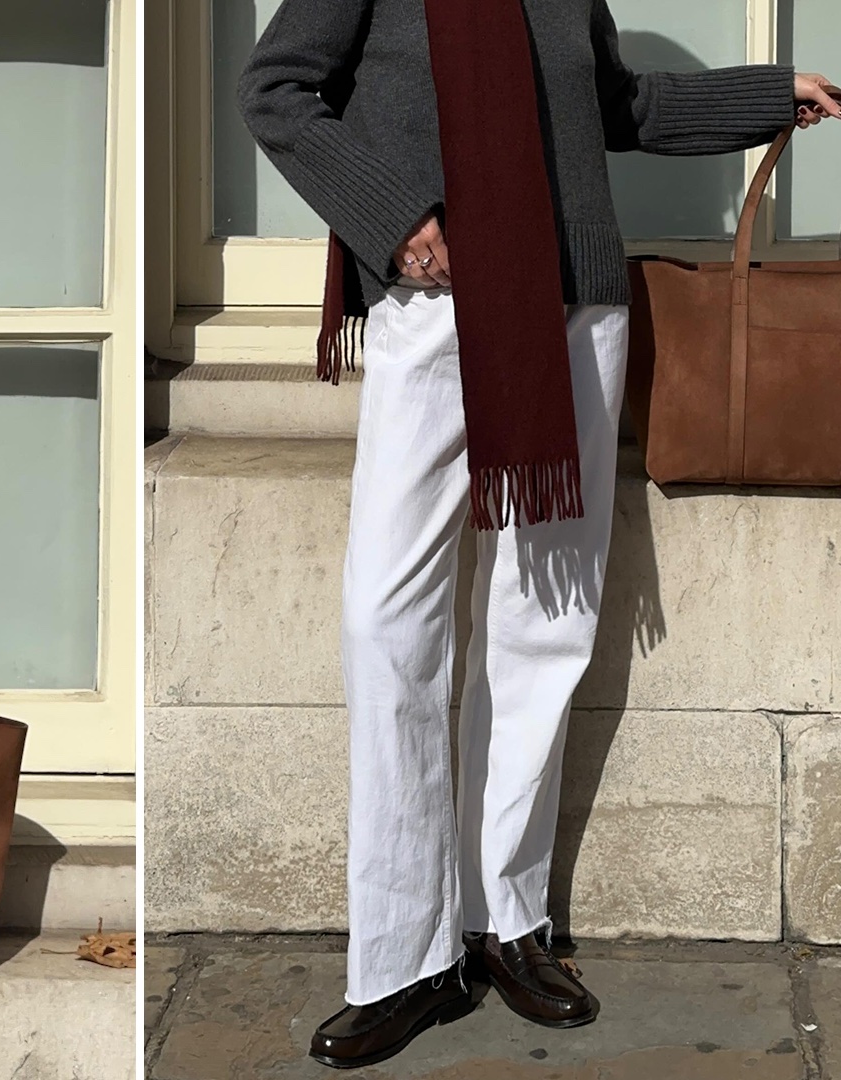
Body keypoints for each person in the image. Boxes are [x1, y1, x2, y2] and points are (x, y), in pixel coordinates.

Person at [238, 0, 840, 1068]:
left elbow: (617, 103)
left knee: (545, 628)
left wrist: (762, 96)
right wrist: (395, 219)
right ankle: (400, 959)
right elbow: (277, 91)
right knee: (389, 623)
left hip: (577, 309)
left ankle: (503, 923)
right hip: (438, 315)